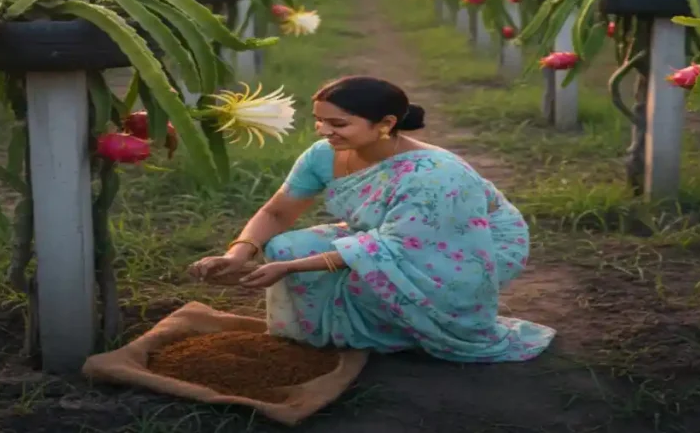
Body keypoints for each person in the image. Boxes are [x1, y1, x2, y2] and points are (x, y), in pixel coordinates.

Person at [188, 76, 555, 362]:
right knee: (284, 247)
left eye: (338, 123)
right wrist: (237, 254)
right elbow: (277, 211)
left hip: (466, 244)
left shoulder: (434, 173)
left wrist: (295, 268)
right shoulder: (323, 155)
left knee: (366, 281)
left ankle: (407, 334)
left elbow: (399, 247)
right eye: (319, 121)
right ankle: (329, 336)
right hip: (385, 235)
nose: (324, 131)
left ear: (386, 123)